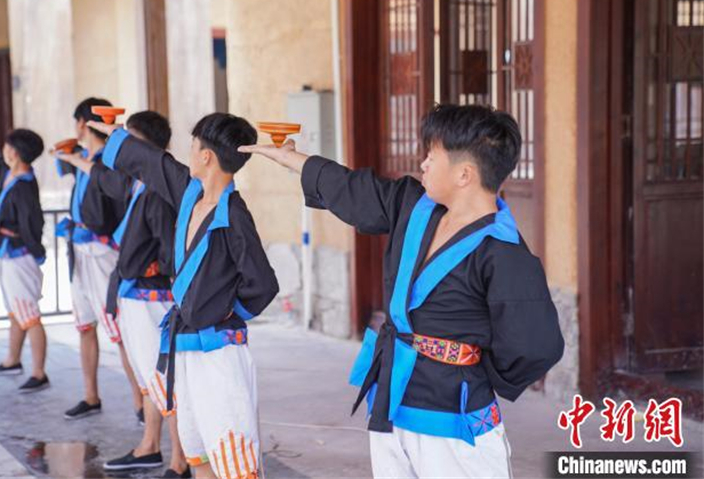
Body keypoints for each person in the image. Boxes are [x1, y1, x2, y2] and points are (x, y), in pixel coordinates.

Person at [240, 104, 565, 478]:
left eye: (432, 155)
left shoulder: (504, 252)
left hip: (454, 421)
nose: (423, 164)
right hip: (392, 402)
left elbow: (535, 346)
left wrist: (471, 365)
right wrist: (291, 158)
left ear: (464, 174)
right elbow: (352, 188)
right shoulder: (413, 206)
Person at [87, 112, 279, 479]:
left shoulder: (234, 214)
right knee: (198, 454)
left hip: (219, 355)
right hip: (186, 347)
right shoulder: (191, 196)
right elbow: (154, 164)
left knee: (234, 463)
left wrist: (221, 309)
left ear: (206, 156)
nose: (187, 153)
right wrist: (118, 138)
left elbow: (263, 284)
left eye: (193, 146)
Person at [58, 111, 190, 478]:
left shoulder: (159, 192)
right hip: (133, 294)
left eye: (126, 142)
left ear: (143, 148)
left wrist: (154, 271)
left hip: (151, 297)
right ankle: (149, 446)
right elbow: (103, 178)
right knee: (151, 378)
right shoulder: (137, 184)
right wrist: (77, 159)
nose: (119, 151)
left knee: (165, 381)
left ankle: (180, 461)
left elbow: (169, 251)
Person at [54, 97, 143, 422]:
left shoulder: (109, 162)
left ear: (82, 124)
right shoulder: (83, 160)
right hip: (80, 251)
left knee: (120, 330)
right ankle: (91, 395)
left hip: (104, 251)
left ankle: (140, 401)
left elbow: (115, 210)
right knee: (86, 325)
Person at [0, 129, 51, 393]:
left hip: (20, 256)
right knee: (16, 312)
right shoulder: (11, 174)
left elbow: (33, 224)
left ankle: (39, 372)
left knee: (29, 314)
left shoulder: (24, 185)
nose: (3, 151)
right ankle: (12, 360)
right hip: (7, 252)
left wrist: (35, 252)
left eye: (6, 147)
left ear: (14, 152)